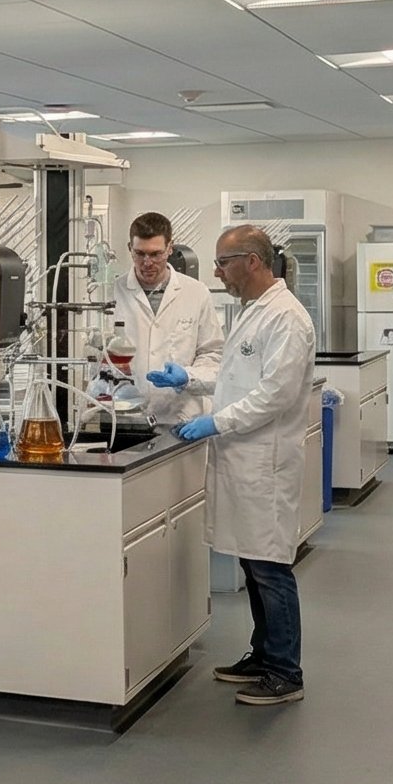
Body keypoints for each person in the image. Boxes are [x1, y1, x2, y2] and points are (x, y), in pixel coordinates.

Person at [155, 226, 316, 706]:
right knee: (252, 560)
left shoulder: (287, 318)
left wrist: (215, 423)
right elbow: (235, 378)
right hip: (243, 457)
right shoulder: (253, 312)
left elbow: (274, 396)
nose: (217, 272)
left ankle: (286, 672)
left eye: (224, 262)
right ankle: (264, 654)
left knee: (270, 566)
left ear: (252, 261)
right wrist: (190, 381)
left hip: (264, 461)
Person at [115, 211, 223, 425]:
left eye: (156, 254)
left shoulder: (195, 292)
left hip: (182, 416)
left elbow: (213, 353)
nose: (147, 262)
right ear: (130, 249)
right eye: (139, 253)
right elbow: (95, 352)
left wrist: (188, 376)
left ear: (170, 248)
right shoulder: (112, 292)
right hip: (125, 417)